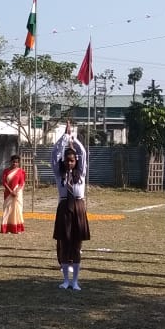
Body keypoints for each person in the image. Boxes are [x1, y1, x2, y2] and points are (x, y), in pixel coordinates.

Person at [51, 122, 90, 291]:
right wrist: (64, 138)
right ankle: (66, 280)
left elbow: (83, 153)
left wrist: (73, 138)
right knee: (64, 243)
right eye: (67, 160)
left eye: (72, 161)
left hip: (78, 207)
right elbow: (55, 153)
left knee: (76, 244)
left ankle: (75, 281)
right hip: (64, 207)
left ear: (76, 161)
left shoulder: (81, 173)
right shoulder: (59, 174)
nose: (69, 163)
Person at [0, 154, 26, 234]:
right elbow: (4, 182)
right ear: (10, 162)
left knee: (18, 210)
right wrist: (11, 192)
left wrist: (16, 191)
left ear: (18, 163)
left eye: (16, 162)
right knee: (7, 210)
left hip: (17, 194)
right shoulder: (6, 171)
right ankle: (7, 228)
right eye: (13, 162)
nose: (15, 163)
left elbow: (21, 183)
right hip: (8, 193)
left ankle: (17, 228)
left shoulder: (21, 171)